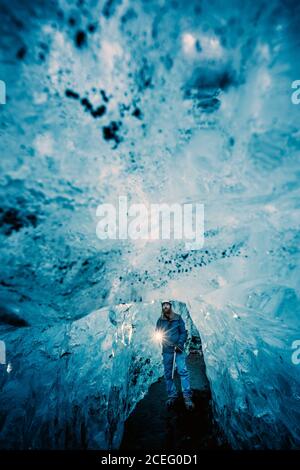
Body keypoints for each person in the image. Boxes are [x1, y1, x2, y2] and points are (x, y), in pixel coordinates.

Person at [155, 301, 194, 410]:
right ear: (162, 307)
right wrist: (161, 340)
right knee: (168, 374)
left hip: (178, 350)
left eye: (167, 305)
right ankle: (172, 395)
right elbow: (157, 332)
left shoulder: (178, 318)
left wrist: (180, 343)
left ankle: (187, 396)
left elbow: (183, 332)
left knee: (183, 371)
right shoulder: (160, 320)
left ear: (170, 306)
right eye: (163, 305)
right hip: (167, 351)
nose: (165, 307)